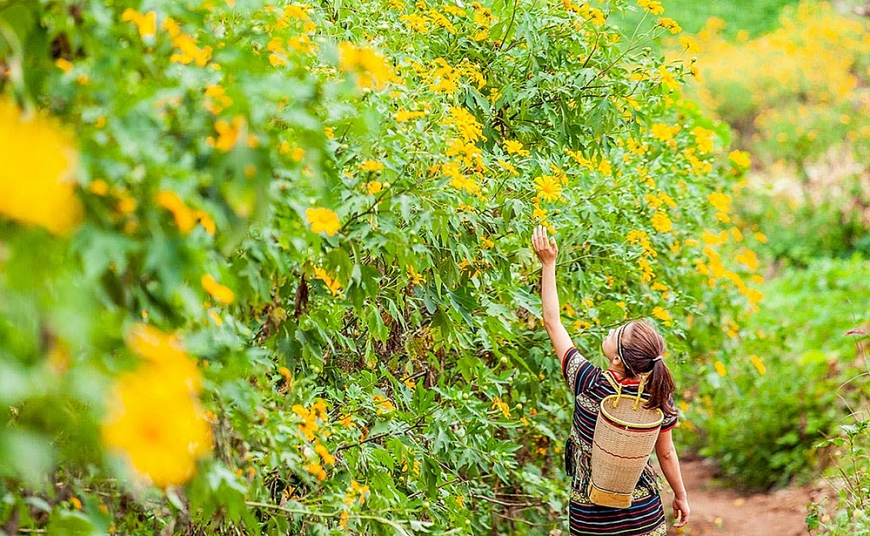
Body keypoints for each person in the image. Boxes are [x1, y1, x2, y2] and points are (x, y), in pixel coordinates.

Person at [531, 225, 690, 536]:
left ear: (617, 359)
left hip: (590, 519)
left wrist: (548, 265)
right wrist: (681, 495)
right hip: (643, 514)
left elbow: (552, 322)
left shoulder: (586, 381)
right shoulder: (659, 396)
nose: (610, 331)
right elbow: (666, 453)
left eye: (615, 334)